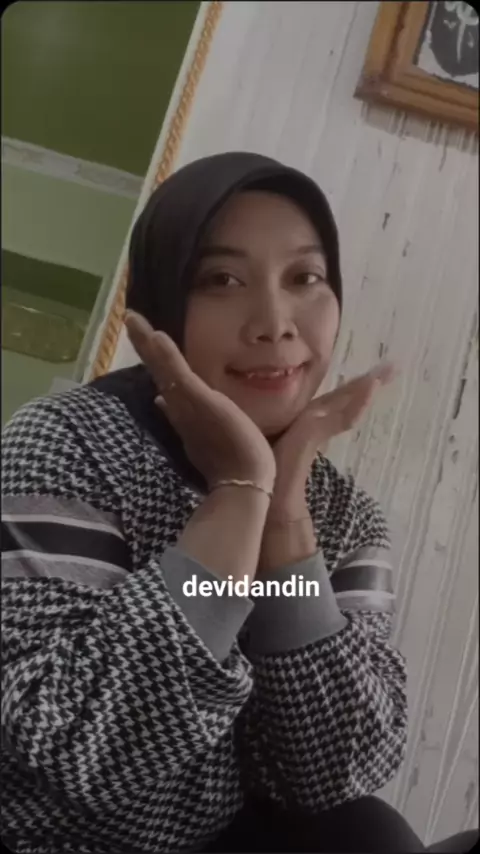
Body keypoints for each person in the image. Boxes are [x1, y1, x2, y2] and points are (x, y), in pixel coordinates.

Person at [2, 152, 475, 854]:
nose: (274, 323)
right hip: (51, 838)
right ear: (162, 302)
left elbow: (336, 772)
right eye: (221, 280)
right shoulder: (69, 442)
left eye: (305, 278)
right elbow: (77, 746)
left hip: (220, 840)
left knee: (370, 832)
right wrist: (237, 495)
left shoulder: (344, 514)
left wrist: (284, 514)